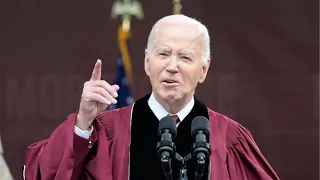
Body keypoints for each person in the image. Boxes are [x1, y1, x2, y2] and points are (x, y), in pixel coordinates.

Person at [24, 14, 280, 180]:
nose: (172, 66)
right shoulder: (105, 132)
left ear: (203, 70)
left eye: (185, 57)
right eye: (163, 54)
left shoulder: (230, 139)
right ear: (146, 62)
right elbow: (45, 174)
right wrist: (82, 122)